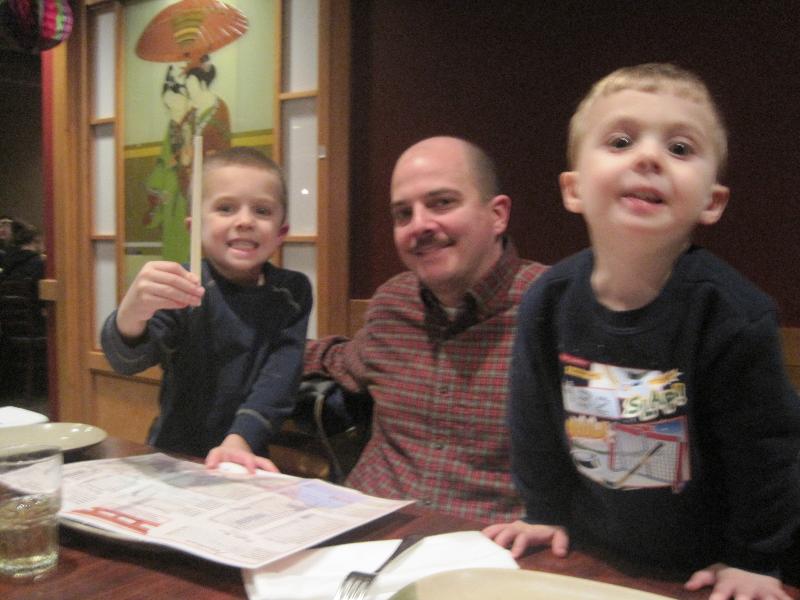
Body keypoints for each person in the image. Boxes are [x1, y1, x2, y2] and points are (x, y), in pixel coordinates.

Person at [483, 64, 800, 599]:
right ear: (574, 189)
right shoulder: (547, 301)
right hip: (594, 554)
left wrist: (754, 557)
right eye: (621, 141)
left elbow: (766, 454)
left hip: (714, 568)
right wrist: (544, 512)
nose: (649, 157)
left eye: (679, 148)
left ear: (712, 201)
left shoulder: (732, 315)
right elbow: (532, 424)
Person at [303, 136, 548, 522]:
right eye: (403, 213)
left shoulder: (554, 309)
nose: (419, 225)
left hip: (489, 543)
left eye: (442, 203)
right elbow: (333, 359)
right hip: (364, 524)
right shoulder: (392, 304)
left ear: (498, 215)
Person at [102, 147, 312, 473]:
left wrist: (240, 440)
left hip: (246, 454)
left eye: (262, 210)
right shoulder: (183, 285)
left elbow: (279, 379)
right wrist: (131, 313)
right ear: (194, 227)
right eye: (226, 208)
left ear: (280, 233)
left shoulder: (292, 292)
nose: (245, 221)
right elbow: (128, 361)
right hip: (173, 454)